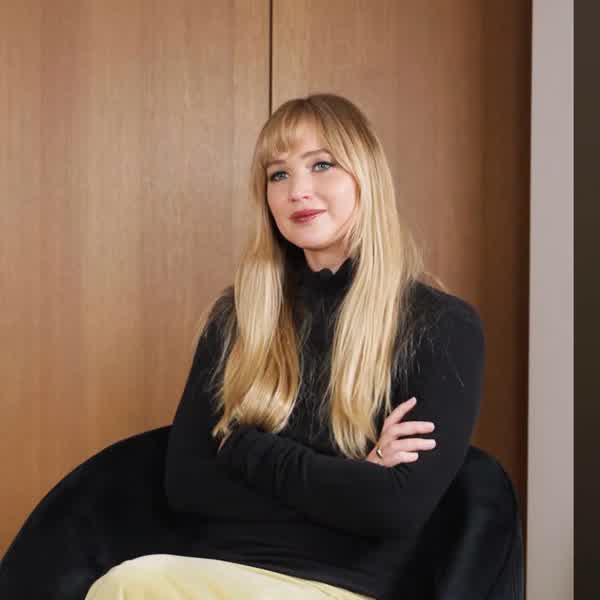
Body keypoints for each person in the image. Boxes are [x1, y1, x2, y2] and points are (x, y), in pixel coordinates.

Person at [85, 93, 485, 599]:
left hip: (342, 588)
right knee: (133, 582)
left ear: (366, 177)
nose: (298, 191)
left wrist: (244, 447)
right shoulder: (238, 317)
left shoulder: (441, 326)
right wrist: (353, 478)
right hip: (216, 573)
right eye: (278, 174)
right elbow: (188, 485)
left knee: (131, 586)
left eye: (321, 165)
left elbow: (394, 509)